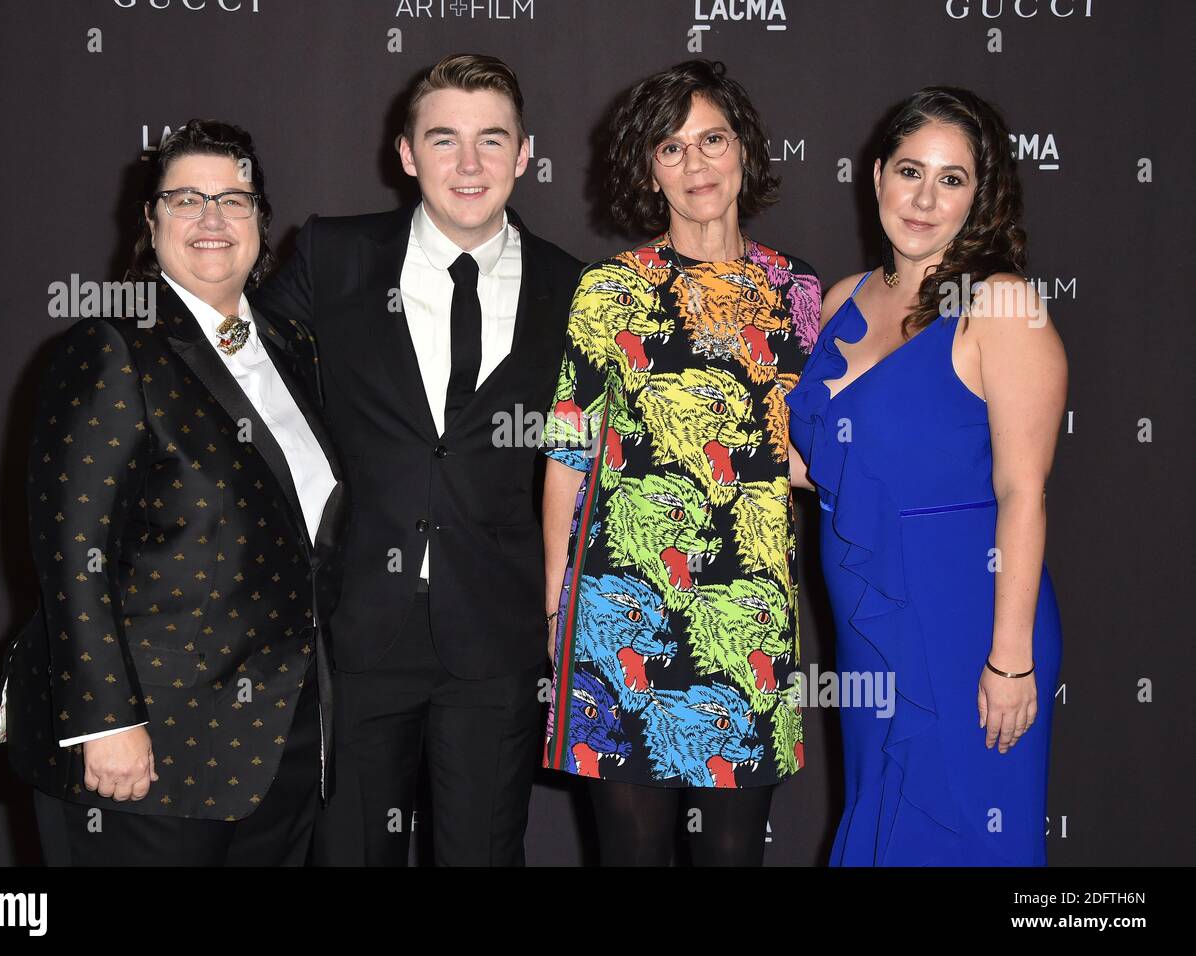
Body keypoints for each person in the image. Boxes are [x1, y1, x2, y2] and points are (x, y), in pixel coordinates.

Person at [252, 54, 580, 866]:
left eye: (491, 140)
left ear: (525, 153)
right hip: (359, 627)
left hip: (495, 638)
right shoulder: (336, 256)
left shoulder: (575, 288)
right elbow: (242, 372)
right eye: (444, 140)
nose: (469, 165)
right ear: (406, 154)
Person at [0, 120, 348, 865]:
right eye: (186, 199)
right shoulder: (115, 347)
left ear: (262, 220)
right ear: (150, 220)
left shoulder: (292, 348)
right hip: (147, 747)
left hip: (279, 745)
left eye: (234, 198)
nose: (213, 219)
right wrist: (104, 722)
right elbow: (72, 551)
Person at [538, 59, 820, 866]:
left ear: (745, 150)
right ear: (648, 168)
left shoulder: (795, 287)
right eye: (672, 148)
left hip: (752, 614)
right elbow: (566, 456)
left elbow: (802, 448)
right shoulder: (609, 290)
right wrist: (556, 606)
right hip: (624, 612)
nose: (697, 166)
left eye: (713, 139)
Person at [786, 87, 1066, 866]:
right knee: (882, 822)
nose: (923, 198)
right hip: (871, 622)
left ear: (982, 197)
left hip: (967, 621)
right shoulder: (844, 299)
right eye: (911, 171)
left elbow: (1023, 493)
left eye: (952, 179)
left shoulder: (1002, 306)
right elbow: (821, 471)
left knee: (968, 834)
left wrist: (1010, 658)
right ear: (876, 175)